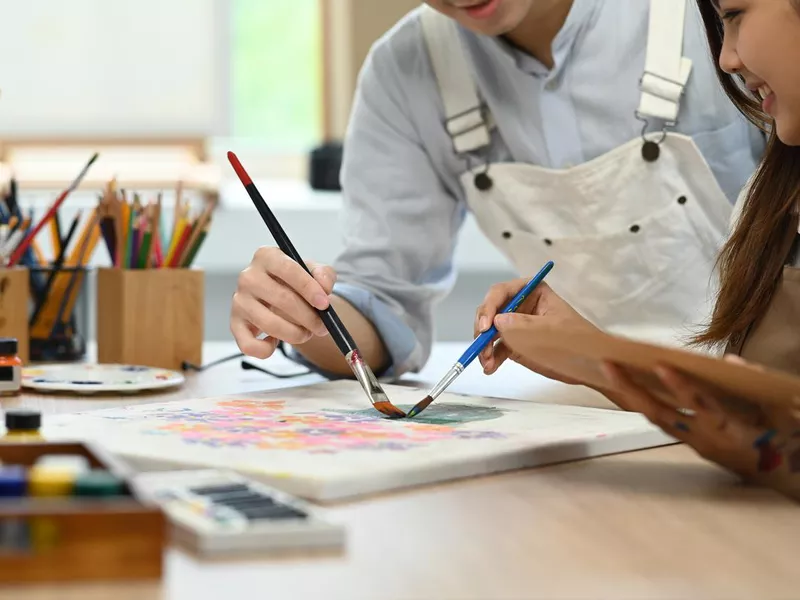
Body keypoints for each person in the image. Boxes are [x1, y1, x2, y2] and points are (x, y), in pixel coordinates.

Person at [230, 0, 765, 380]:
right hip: (591, 424)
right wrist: (303, 315)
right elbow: (383, 305)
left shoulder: (724, 20)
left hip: (760, 405)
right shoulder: (406, 71)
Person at [483, 0, 800, 499]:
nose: (727, 58)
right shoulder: (771, 193)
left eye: (736, 14)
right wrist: (589, 357)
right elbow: (755, 422)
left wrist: (766, 450)